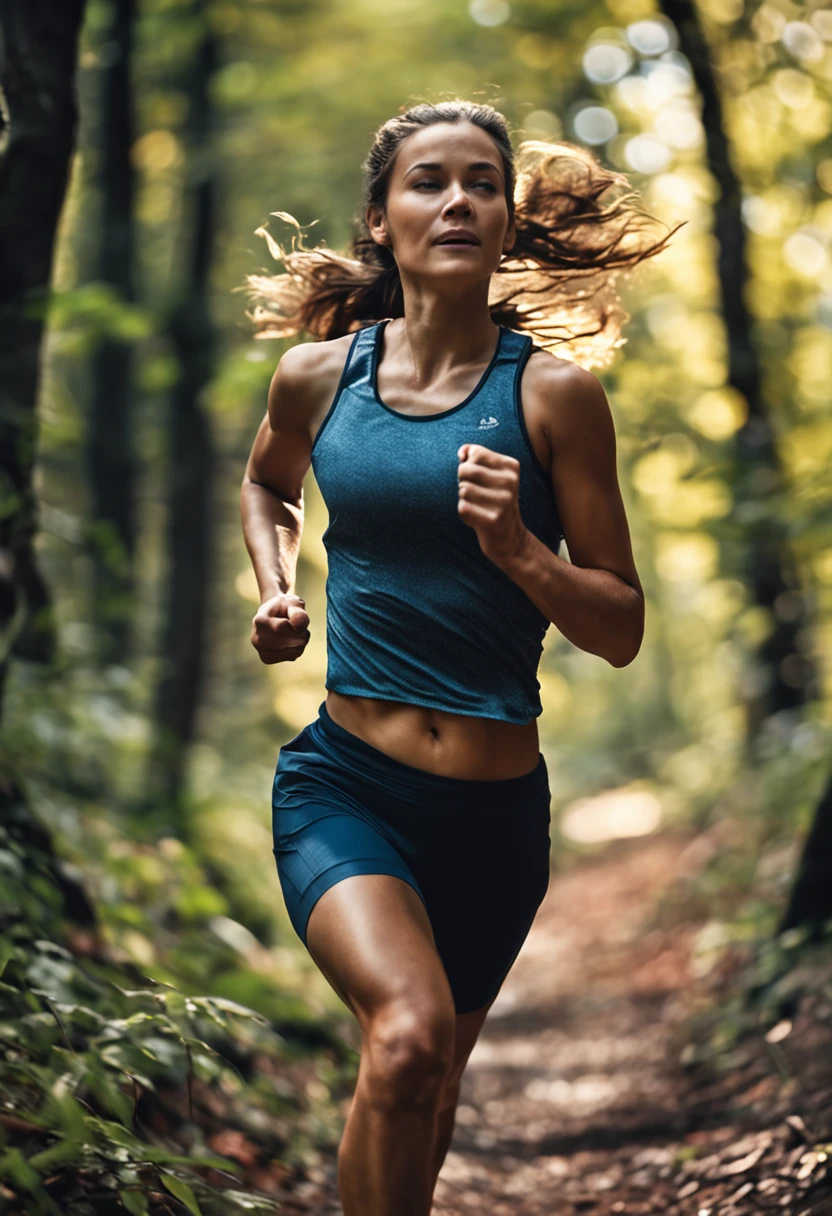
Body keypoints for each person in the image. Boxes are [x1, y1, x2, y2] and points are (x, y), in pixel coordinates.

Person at [240, 100, 676, 1216]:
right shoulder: (315, 378)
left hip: (491, 818)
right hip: (350, 785)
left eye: (482, 182)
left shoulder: (554, 397)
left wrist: (520, 549)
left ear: (505, 218)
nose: (458, 201)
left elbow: (619, 626)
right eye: (428, 181)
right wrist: (277, 588)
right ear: (381, 219)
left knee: (425, 1094)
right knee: (405, 1039)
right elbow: (267, 485)